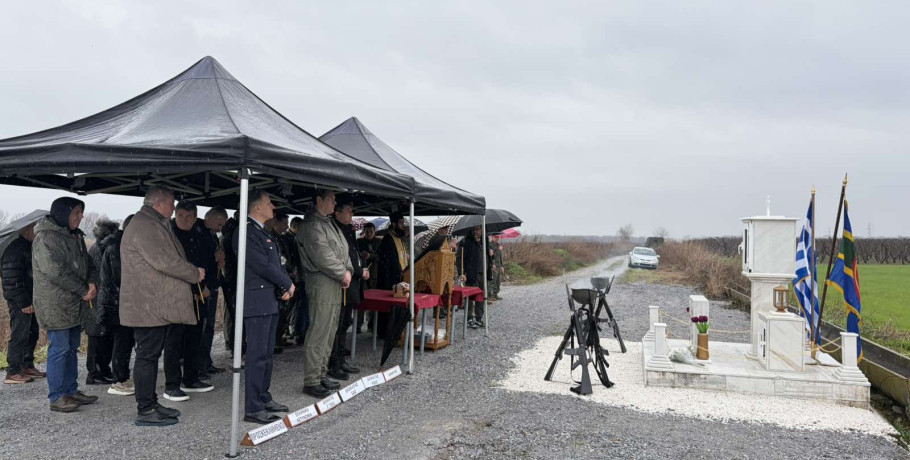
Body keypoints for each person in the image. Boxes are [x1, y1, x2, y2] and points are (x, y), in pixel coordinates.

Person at [120, 186, 205, 427]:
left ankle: (151, 403)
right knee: (147, 356)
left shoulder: (152, 222)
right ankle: (145, 409)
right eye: (172, 203)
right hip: (147, 305)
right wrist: (193, 273)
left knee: (151, 355)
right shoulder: (146, 226)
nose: (174, 207)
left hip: (151, 304)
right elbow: (165, 261)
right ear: (159, 204)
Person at [232, 190, 294, 424]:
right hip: (256, 301)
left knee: (267, 354)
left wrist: (285, 283)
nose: (273, 206)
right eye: (269, 203)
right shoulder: (246, 232)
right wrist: (286, 283)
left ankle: (263, 396)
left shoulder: (262, 232)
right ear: (256, 207)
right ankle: (253, 407)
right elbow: (261, 265)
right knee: (257, 355)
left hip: (268, 299)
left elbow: (276, 263)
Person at [32, 197, 99, 413]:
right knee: (59, 349)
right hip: (56, 303)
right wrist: (82, 290)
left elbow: (89, 264)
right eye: (76, 213)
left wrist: (91, 283)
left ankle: (71, 390)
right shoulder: (45, 237)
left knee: (71, 348)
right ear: (63, 213)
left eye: (81, 213)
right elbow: (54, 271)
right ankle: (58, 396)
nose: (80, 218)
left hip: (75, 302)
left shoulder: (76, 237)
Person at [297, 189, 352, 398]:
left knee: (330, 329)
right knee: (320, 330)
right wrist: (343, 273)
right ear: (319, 200)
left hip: (334, 280)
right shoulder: (312, 225)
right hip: (322, 281)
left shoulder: (327, 223)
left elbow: (342, 250)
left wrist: (347, 271)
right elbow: (323, 255)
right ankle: (311, 380)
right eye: (331, 199)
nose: (334, 203)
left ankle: (320, 374)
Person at [166, 201, 217, 400]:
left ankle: (190, 378)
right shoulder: (169, 236)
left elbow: (210, 264)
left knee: (195, 339)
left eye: (189, 217)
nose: (185, 220)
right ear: (175, 216)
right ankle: (172, 385)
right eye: (181, 216)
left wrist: (208, 288)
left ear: (195, 218)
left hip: (200, 296)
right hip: (178, 296)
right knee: (174, 341)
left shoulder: (201, 236)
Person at [2, 222, 44, 384]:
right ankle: (13, 371)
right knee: (19, 334)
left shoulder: (28, 247)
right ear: (27, 230)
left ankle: (27, 365)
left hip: (31, 299)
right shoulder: (14, 250)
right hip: (20, 301)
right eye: (35, 229)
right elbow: (11, 279)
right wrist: (24, 302)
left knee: (32, 332)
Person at [328, 202, 366, 380]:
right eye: (348, 210)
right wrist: (359, 271)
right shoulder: (334, 230)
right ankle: (333, 362)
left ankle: (340, 359)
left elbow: (354, 255)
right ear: (337, 213)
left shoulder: (348, 230)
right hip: (342, 283)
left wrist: (361, 269)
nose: (352, 213)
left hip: (352, 283)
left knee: (344, 324)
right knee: (338, 324)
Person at [99, 215, 136, 396]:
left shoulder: (123, 245)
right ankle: (119, 380)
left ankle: (122, 376)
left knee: (126, 341)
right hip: (117, 304)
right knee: (122, 342)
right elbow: (123, 278)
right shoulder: (117, 248)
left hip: (123, 303)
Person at [84, 219, 120, 385]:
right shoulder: (105, 248)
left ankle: (100, 371)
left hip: (98, 298)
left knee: (101, 336)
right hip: (99, 299)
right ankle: (96, 373)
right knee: (100, 336)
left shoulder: (96, 248)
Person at [199, 206, 228, 378]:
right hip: (203, 288)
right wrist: (214, 258)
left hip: (212, 284)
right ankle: (199, 366)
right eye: (219, 223)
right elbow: (199, 259)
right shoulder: (200, 234)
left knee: (208, 328)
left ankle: (205, 362)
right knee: (201, 329)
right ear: (211, 218)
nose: (221, 228)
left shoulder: (212, 235)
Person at [376, 213, 409, 335]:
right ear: (394, 224)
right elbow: (390, 260)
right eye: (401, 223)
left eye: (404, 223)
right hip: (388, 278)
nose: (403, 226)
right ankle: (384, 332)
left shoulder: (399, 238)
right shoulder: (388, 238)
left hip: (398, 277)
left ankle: (393, 330)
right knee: (387, 308)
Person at [265, 211, 293, 351]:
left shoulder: (280, 238)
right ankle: (274, 341)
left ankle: (278, 338)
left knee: (283, 312)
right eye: (284, 224)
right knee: (277, 311)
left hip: (285, 276)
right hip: (277, 280)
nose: (286, 227)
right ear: (276, 222)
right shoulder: (271, 237)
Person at [285, 216, 308, 346]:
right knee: (301, 306)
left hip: (300, 277)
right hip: (300, 278)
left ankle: (297, 331)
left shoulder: (296, 238)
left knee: (300, 306)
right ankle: (299, 332)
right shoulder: (298, 239)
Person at [457, 226, 486, 328]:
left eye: (478, 229)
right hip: (470, 274)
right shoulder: (465, 242)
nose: (476, 231)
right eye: (475, 229)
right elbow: (460, 258)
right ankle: (469, 318)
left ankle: (479, 318)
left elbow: (487, 257)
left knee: (481, 297)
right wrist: (462, 272)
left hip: (483, 273)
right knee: (469, 297)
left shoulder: (484, 241)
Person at [488, 234, 504, 303]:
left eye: (498, 237)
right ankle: (490, 295)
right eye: (496, 237)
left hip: (498, 265)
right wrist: (492, 264)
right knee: (492, 281)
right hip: (493, 265)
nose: (497, 238)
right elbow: (491, 254)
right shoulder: (490, 244)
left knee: (498, 280)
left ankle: (495, 294)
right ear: (492, 237)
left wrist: (502, 266)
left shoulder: (498, 245)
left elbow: (500, 256)